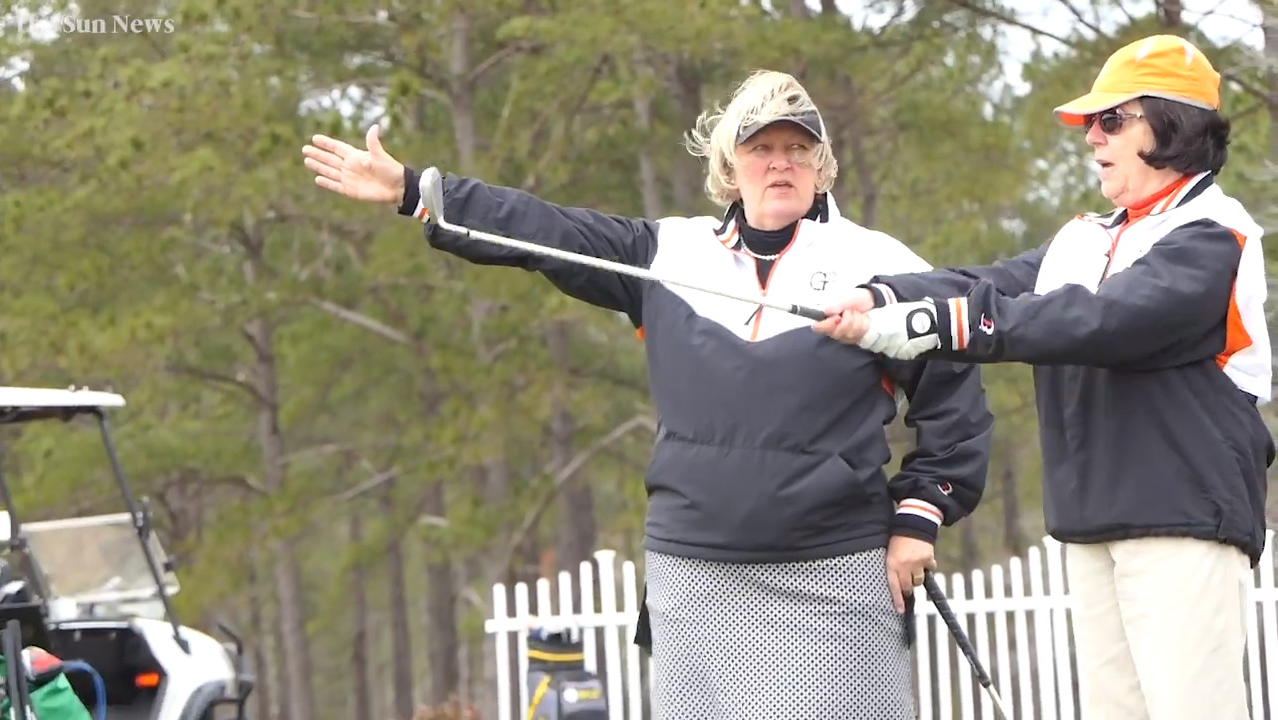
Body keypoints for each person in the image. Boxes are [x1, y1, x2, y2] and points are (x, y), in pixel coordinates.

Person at [302, 69, 995, 719]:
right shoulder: (668, 253)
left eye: (797, 148)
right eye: (761, 149)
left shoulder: (885, 265)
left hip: (833, 569)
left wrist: (918, 517)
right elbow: (543, 232)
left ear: (821, 165)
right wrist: (418, 190)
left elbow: (953, 398)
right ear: (731, 166)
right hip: (693, 573)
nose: (780, 163)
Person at [814, 34, 1272, 720]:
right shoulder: (1085, 237)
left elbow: (1099, 322)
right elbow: (986, 282)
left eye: (1110, 119)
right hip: (1093, 521)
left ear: (1172, 124)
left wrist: (944, 327)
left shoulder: (1214, 233)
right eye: (1091, 123)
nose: (1091, 136)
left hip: (1184, 519)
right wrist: (882, 297)